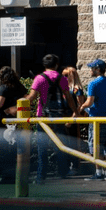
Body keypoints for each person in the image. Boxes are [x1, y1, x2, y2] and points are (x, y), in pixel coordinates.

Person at [25, 54, 78, 184]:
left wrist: (19, 105)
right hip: (58, 116)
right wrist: (75, 111)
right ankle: (62, 173)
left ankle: (41, 176)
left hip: (43, 116)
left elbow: (31, 97)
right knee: (60, 145)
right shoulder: (62, 78)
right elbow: (69, 97)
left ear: (44, 65)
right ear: (56, 65)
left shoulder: (39, 78)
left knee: (42, 147)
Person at [78, 58, 106, 181]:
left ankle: (99, 172)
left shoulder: (93, 84)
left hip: (96, 119)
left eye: (92, 68)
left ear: (97, 69)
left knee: (96, 145)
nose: (90, 70)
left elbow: (90, 102)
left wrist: (82, 106)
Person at [62, 65, 86, 174]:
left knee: (73, 143)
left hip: (72, 119)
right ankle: (66, 166)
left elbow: (80, 106)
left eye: (65, 75)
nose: (63, 77)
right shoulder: (64, 88)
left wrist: (72, 119)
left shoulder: (77, 89)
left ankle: (75, 166)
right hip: (63, 117)